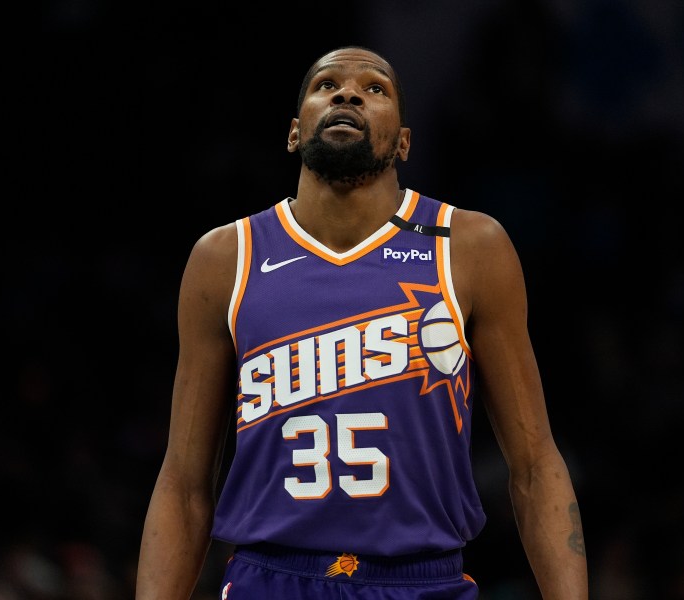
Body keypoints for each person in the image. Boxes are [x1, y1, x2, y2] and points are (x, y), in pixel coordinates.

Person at [136, 45, 588, 599]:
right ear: (294, 133)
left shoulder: (469, 246)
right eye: (326, 84)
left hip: (423, 579)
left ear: (403, 142)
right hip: (268, 579)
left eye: (375, 89)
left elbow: (536, 464)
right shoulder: (224, 257)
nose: (348, 92)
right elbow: (184, 483)